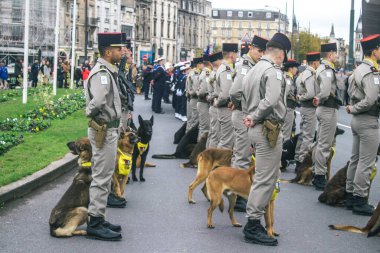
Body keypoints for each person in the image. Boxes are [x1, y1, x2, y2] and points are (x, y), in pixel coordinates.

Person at [242, 33, 290, 246]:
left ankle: (254, 221)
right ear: (280, 55)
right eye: (284, 57)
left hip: (255, 129)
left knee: (261, 177)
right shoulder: (273, 71)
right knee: (265, 179)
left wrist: (250, 115)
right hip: (267, 129)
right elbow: (271, 100)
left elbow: (240, 94)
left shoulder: (253, 69)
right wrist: (256, 116)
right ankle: (252, 224)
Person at [85, 32, 124, 241]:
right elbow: (98, 102)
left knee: (105, 174)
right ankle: (95, 222)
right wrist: (88, 112)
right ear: (108, 52)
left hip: (109, 129)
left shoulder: (108, 70)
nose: (122, 51)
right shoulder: (101, 73)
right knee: (101, 176)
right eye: (119, 49)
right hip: (103, 130)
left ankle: (99, 216)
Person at [229, 35, 268, 212]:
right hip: (242, 114)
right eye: (259, 51)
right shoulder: (245, 66)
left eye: (263, 52)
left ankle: (235, 192)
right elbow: (235, 91)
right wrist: (243, 105)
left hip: (245, 114)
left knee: (242, 154)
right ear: (251, 48)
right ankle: (236, 196)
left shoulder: (253, 65)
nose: (261, 54)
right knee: (242, 156)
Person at [345, 34, 380, 216]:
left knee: (356, 159)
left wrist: (353, 108)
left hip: (358, 121)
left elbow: (351, 91)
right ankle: (360, 200)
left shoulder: (358, 69)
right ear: (374, 51)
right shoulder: (371, 71)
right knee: (367, 162)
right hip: (367, 119)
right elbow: (371, 99)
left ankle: (350, 195)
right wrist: (355, 108)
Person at [312, 42, 341, 191]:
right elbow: (325, 90)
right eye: (335, 53)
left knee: (320, 142)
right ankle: (319, 176)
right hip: (328, 108)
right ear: (330, 54)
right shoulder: (327, 69)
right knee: (325, 144)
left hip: (325, 109)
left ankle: (316, 172)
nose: (337, 56)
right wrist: (321, 97)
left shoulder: (324, 68)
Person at [294, 52, 321, 170]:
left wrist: (300, 97)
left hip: (304, 108)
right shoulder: (310, 74)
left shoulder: (303, 73)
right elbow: (310, 93)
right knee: (308, 137)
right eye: (318, 62)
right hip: (309, 108)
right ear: (314, 62)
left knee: (303, 135)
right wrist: (302, 97)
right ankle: (302, 162)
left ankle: (297, 158)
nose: (319, 64)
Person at [214, 43, 238, 149]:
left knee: (225, 139)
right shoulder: (226, 69)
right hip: (225, 108)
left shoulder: (225, 68)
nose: (236, 56)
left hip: (225, 108)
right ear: (232, 54)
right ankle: (219, 165)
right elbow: (225, 94)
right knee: (226, 142)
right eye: (236, 54)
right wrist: (218, 102)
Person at [207, 52, 223, 148]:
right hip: (216, 104)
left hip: (213, 103)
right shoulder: (216, 73)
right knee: (216, 135)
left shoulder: (213, 73)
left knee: (213, 133)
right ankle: (209, 158)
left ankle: (207, 156)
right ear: (217, 61)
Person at [282, 59, 300, 142]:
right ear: (290, 68)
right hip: (288, 107)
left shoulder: (287, 76)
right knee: (286, 132)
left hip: (287, 107)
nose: (296, 69)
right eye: (295, 67)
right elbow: (285, 94)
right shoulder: (288, 78)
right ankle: (284, 150)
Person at [196, 55, 213, 140]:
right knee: (205, 128)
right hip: (204, 102)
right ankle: (200, 150)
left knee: (202, 127)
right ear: (210, 63)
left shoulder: (203, 72)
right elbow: (203, 90)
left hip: (201, 103)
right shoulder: (207, 73)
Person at [186, 57, 203, 132]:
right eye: (202, 63)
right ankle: (188, 139)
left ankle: (186, 137)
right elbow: (196, 88)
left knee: (191, 119)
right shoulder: (196, 73)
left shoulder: (193, 72)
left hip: (191, 98)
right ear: (199, 64)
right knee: (194, 119)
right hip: (194, 98)